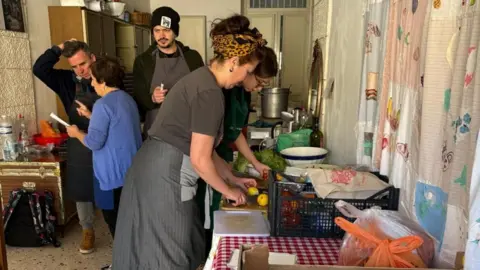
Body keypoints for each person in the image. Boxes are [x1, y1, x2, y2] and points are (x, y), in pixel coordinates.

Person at [112, 14, 266, 270]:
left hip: (158, 166)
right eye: (248, 72)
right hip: (164, 173)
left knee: (174, 244)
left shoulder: (205, 81)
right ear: (234, 61)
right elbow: (200, 159)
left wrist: (232, 178)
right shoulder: (209, 93)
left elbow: (206, 149)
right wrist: (228, 191)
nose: (244, 79)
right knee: (169, 250)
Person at [200, 45, 279, 256]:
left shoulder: (243, 92)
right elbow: (202, 153)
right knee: (213, 208)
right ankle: (213, 253)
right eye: (260, 82)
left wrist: (255, 163)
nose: (260, 88)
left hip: (219, 155)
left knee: (226, 204)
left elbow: (235, 133)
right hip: (209, 155)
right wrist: (228, 183)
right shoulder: (222, 90)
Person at [33, 40, 100, 254]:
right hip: (76, 138)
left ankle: (117, 226)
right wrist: (58, 48)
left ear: (93, 59)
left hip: (105, 137)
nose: (81, 70)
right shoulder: (64, 80)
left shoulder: (106, 77)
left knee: (109, 184)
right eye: (75, 66)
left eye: (84, 63)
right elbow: (39, 69)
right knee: (82, 188)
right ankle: (87, 229)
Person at [65, 56, 142, 238]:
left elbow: (94, 142)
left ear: (104, 81)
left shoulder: (103, 104)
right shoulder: (127, 99)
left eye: (93, 79)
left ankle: (123, 263)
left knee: (116, 224)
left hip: (112, 175)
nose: (91, 84)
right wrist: (91, 116)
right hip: (131, 173)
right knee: (130, 222)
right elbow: (116, 126)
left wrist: (76, 133)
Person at [133, 6, 204, 137]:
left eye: (166, 30)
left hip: (188, 126)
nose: (161, 36)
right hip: (157, 127)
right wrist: (152, 98)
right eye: (157, 30)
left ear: (175, 32)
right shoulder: (143, 61)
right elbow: (138, 95)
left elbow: (203, 90)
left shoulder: (192, 57)